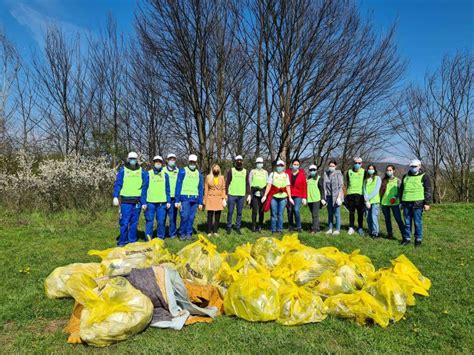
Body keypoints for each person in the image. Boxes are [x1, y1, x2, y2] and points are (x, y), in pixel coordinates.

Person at [112, 152, 148, 246]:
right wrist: (115, 196)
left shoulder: (142, 171)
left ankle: (132, 241)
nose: (133, 160)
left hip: (137, 201)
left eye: (134, 158)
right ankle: (122, 241)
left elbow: (144, 187)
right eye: (131, 158)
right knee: (124, 222)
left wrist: (144, 202)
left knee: (134, 222)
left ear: (137, 159)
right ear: (128, 159)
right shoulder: (123, 170)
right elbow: (118, 183)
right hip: (125, 201)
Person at [399, 159, 432, 247]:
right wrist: (401, 202)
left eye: (415, 166)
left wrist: (427, 203)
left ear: (419, 166)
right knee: (407, 222)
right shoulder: (405, 176)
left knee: (417, 222)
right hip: (406, 202)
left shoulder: (425, 176)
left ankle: (418, 240)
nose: (413, 168)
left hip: (418, 203)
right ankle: (407, 239)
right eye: (412, 166)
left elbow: (428, 190)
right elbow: (402, 189)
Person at [175, 154, 204, 241]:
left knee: (191, 218)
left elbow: (200, 188)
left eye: (194, 162)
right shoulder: (183, 171)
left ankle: (189, 234)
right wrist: (177, 200)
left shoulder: (198, 174)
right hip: (185, 199)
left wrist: (200, 202)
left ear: (196, 162)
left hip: (194, 199)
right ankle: (182, 233)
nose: (192, 164)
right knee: (184, 216)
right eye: (191, 162)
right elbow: (178, 185)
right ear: (189, 162)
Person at [262, 160, 294, 234]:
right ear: (276, 166)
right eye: (278, 165)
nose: (280, 167)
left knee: (280, 214)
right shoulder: (272, 174)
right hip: (274, 197)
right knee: (273, 214)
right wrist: (265, 195)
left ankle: (279, 229)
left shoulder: (286, 175)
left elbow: (288, 186)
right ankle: (273, 229)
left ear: (283, 167)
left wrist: (290, 197)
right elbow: (269, 185)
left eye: (281, 166)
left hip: (283, 197)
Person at [143, 155, 171, 240]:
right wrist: (143, 202)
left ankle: (160, 238)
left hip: (162, 203)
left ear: (162, 163)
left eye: (159, 162)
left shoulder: (165, 175)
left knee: (161, 222)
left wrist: (168, 201)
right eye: (156, 161)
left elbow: (167, 189)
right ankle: (148, 239)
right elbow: (144, 188)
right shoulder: (148, 174)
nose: (158, 163)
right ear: (153, 163)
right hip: (150, 202)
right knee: (149, 221)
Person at [225, 155, 249, 235]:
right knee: (230, 211)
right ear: (235, 161)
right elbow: (227, 182)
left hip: (241, 195)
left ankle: (237, 227)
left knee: (239, 212)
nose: (239, 162)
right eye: (237, 160)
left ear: (242, 161)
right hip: (232, 194)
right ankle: (229, 226)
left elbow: (247, 183)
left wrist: (248, 194)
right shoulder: (231, 170)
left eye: (240, 160)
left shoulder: (246, 171)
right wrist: (225, 194)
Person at [380, 165, 405, 240]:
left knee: (398, 219)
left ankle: (405, 236)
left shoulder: (398, 180)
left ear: (394, 171)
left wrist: (395, 197)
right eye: (387, 170)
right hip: (384, 203)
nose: (388, 171)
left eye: (390, 170)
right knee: (387, 220)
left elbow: (400, 191)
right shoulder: (383, 180)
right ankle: (389, 234)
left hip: (395, 203)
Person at [203, 164, 227, 236]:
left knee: (217, 216)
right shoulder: (208, 177)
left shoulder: (222, 177)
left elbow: (223, 188)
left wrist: (224, 198)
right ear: (212, 169)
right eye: (215, 168)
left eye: (217, 168)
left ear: (219, 170)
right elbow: (206, 189)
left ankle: (215, 231)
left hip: (219, 198)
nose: (216, 170)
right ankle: (209, 231)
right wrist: (205, 199)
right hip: (210, 198)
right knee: (210, 215)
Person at [286, 158, 307, 232]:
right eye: (294, 164)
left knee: (296, 210)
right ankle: (290, 225)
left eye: (297, 165)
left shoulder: (302, 174)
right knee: (289, 210)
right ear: (292, 164)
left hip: (298, 195)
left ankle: (299, 226)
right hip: (289, 195)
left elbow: (304, 186)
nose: (296, 166)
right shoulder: (287, 172)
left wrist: (304, 197)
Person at [247, 157, 268, 232]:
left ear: (262, 164)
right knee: (254, 211)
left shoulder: (265, 172)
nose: (259, 164)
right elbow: (249, 183)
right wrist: (249, 194)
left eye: (261, 163)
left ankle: (260, 225)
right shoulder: (252, 171)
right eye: (258, 163)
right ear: (256, 163)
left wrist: (265, 195)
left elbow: (267, 184)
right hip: (254, 193)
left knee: (261, 211)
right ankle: (253, 225)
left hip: (262, 194)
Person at [323, 160, 344, 235]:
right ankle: (330, 228)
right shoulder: (326, 173)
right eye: (330, 166)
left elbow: (341, 186)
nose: (331, 167)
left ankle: (337, 229)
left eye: (333, 166)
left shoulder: (338, 174)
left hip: (336, 196)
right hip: (328, 196)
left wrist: (339, 197)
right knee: (330, 213)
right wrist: (324, 197)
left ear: (335, 166)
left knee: (337, 213)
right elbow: (324, 185)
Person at [346, 157, 365, 236]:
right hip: (350, 195)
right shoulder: (349, 172)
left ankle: (360, 228)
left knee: (360, 213)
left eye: (359, 163)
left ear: (361, 164)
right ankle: (351, 227)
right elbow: (347, 182)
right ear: (353, 163)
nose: (357, 164)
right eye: (356, 163)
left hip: (360, 195)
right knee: (351, 213)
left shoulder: (364, 172)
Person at [363, 164, 381, 239]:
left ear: (374, 170)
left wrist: (369, 198)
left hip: (375, 201)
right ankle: (370, 231)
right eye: (369, 168)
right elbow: (364, 189)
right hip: (367, 201)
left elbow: (376, 190)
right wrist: (366, 199)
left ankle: (375, 233)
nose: (370, 170)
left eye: (372, 168)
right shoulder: (366, 179)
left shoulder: (377, 178)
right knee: (368, 217)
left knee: (374, 217)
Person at [164, 153, 179, 238]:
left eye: (173, 159)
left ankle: (172, 234)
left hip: (174, 198)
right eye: (170, 159)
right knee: (162, 217)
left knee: (173, 217)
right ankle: (161, 234)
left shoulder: (178, 171)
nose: (172, 161)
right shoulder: (162, 170)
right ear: (167, 160)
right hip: (164, 197)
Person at [306, 164, 324, 233]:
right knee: (313, 214)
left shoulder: (319, 178)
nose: (312, 171)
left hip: (316, 199)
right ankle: (316, 226)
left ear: (316, 170)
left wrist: (322, 198)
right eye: (311, 170)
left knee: (315, 214)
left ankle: (315, 229)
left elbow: (321, 189)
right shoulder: (308, 179)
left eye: (314, 170)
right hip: (309, 199)